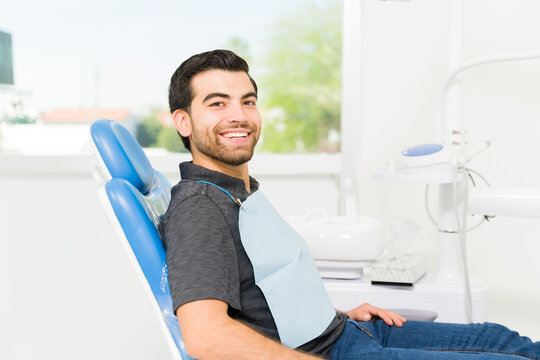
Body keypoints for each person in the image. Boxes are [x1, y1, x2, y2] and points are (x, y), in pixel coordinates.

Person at [159, 49, 539, 360]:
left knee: (502, 339)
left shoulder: (236, 190)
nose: (238, 115)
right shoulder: (200, 208)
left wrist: (335, 315)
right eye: (217, 104)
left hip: (347, 330)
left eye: (248, 101)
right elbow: (206, 336)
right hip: (333, 354)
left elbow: (263, 296)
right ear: (184, 122)